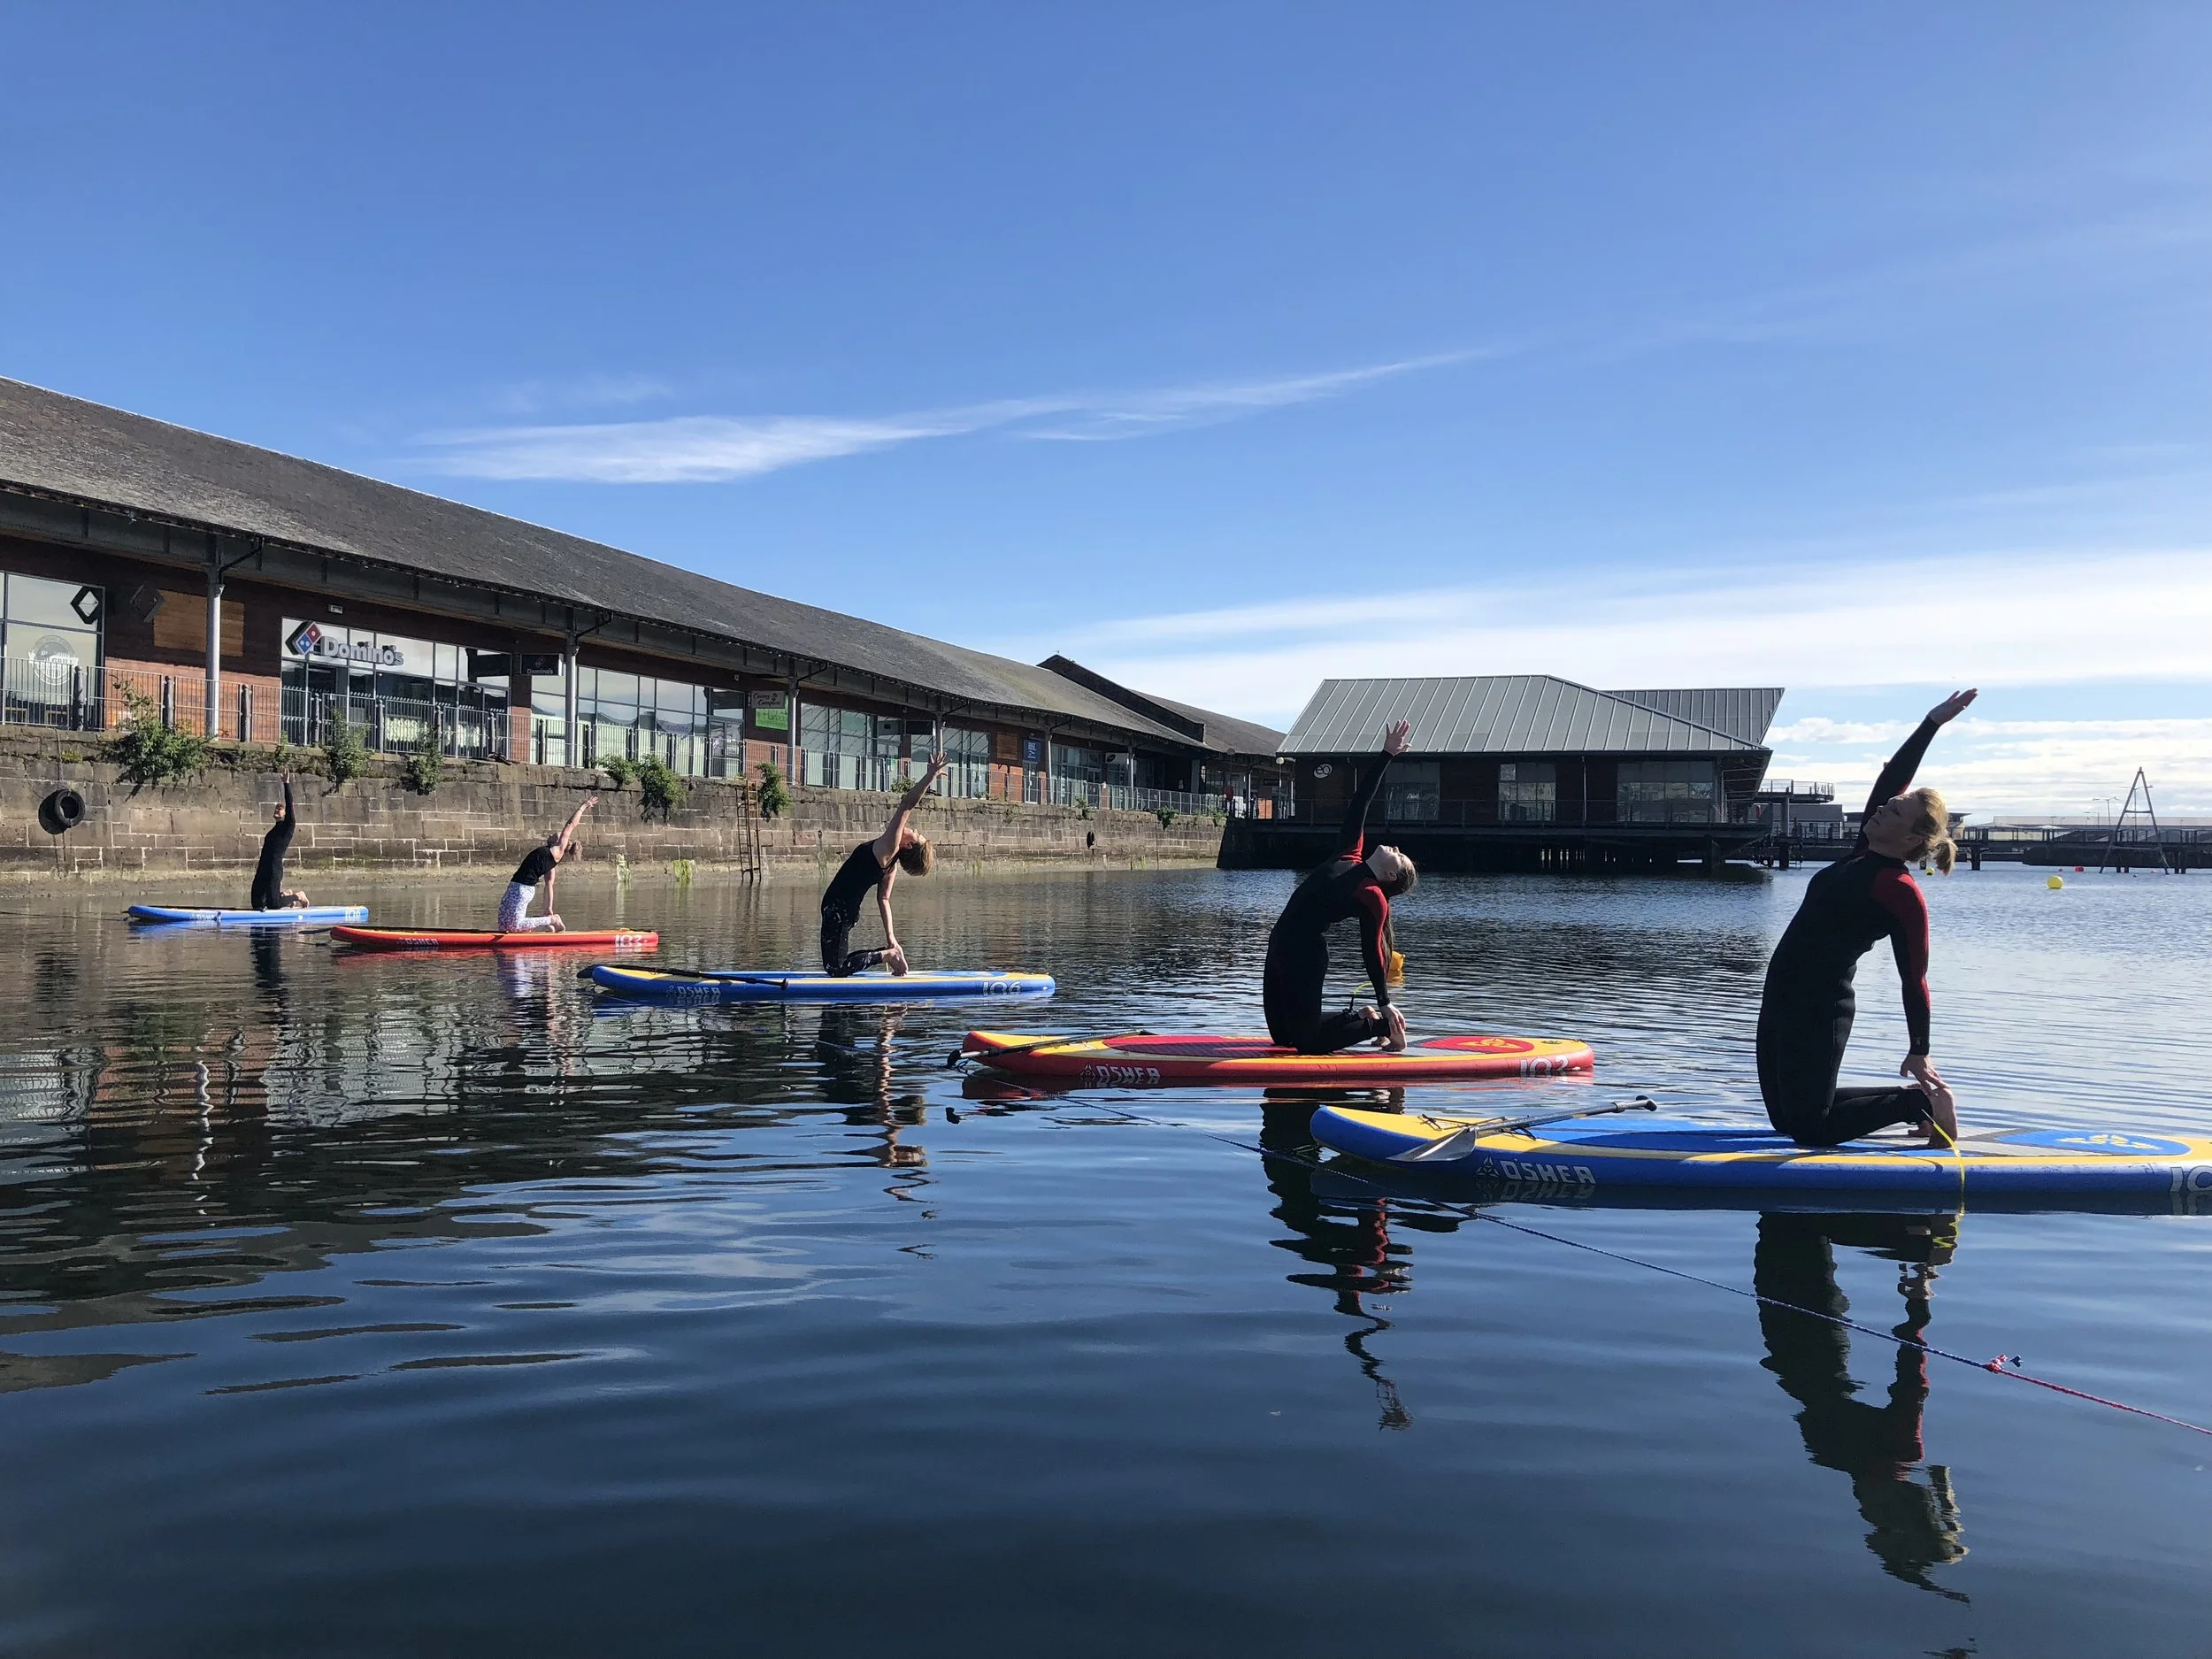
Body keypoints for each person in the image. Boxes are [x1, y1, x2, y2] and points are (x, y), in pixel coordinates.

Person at [1756, 689, 1976, 1148]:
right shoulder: (1863, 853)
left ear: (1913, 836)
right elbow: (1892, 779)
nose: (1881, 807)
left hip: (1820, 1008)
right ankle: (1914, 1101)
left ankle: (1921, 1104)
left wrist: (1919, 1049)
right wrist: (1930, 723)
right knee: (1788, 1121)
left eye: (1895, 810)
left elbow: (1914, 978)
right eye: (1887, 804)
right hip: (1780, 995)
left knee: (1809, 1128)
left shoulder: (1899, 892)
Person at [1263, 721, 1418, 1054]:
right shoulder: (1349, 851)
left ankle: (1383, 1026)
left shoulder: (1373, 897)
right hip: (1277, 946)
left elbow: (1373, 951)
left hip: (1305, 955)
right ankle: (1359, 1016)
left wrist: (1385, 1001)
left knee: (1306, 1044)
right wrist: (1387, 754)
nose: (1394, 848)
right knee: (1283, 1039)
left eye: (1400, 857)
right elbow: (1360, 803)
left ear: (1390, 877)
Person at [819, 754, 945, 976]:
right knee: (835, 967)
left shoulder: (889, 848)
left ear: (908, 846)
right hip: (841, 911)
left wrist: (930, 776)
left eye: (917, 836)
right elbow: (884, 899)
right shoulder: (890, 864)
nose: (914, 830)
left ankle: (888, 956)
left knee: (836, 970)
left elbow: (907, 804)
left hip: (839, 911)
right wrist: (891, 939)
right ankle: (890, 952)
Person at [500, 792, 596, 933]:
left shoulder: (558, 850)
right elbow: (549, 885)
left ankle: (552, 920)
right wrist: (548, 908)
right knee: (503, 926)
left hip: (522, 889)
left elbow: (570, 825)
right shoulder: (550, 862)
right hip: (515, 885)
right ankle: (539, 924)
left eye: (555, 835)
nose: (551, 835)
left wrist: (584, 806)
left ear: (560, 841)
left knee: (514, 925)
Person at [250, 772, 308, 910]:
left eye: (280, 808)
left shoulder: (288, 827)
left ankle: (298, 896)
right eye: (276, 807)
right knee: (257, 903)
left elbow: (290, 804)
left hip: (274, 869)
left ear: (286, 814)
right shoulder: (272, 831)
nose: (278, 808)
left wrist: (286, 784)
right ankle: (285, 894)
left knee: (273, 905)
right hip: (263, 868)